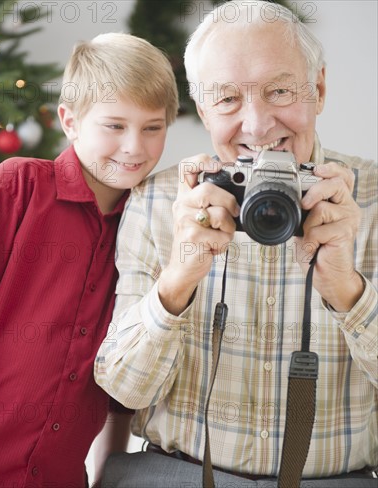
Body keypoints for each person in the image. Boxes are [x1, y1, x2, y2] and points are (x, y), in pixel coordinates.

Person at [94, 2, 377, 487]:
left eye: (280, 91)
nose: (257, 125)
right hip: (173, 473)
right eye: (226, 99)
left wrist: (350, 293)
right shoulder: (161, 199)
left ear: (320, 89)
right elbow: (124, 389)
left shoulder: (368, 197)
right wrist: (178, 280)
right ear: (202, 109)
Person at [0, 32, 178, 488]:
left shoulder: (147, 228)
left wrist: (107, 472)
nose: (134, 147)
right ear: (70, 120)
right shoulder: (11, 190)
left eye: (152, 127)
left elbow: (121, 376)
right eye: (115, 125)